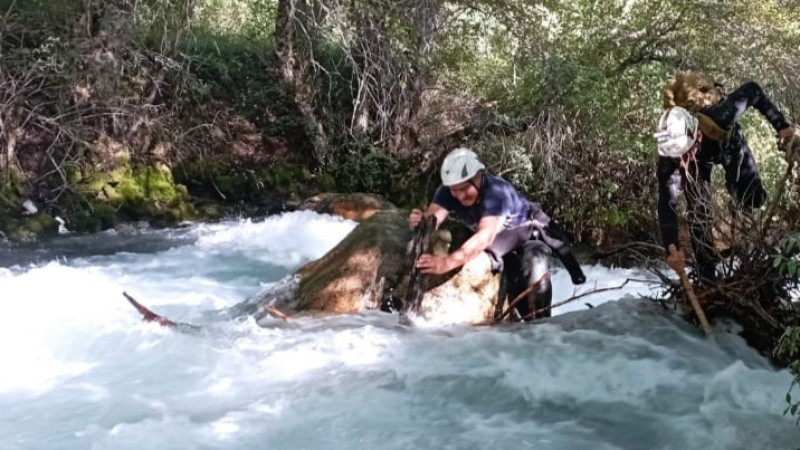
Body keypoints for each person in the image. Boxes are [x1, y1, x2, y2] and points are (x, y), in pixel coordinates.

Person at [408, 147, 586, 320]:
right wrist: (421, 222)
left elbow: (485, 236)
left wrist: (447, 263)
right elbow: (433, 218)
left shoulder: (496, 193)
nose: (460, 196)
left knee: (534, 266)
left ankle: (541, 327)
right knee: (513, 281)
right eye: (455, 190)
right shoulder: (447, 192)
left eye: (464, 189)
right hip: (500, 240)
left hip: (526, 236)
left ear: (478, 177)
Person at [655, 71, 797, 280]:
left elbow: (753, 89)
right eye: (679, 156)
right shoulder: (670, 154)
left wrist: (782, 127)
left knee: (749, 196)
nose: (682, 159)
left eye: (686, 151)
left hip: (728, 147)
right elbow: (667, 203)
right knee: (699, 214)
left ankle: (753, 248)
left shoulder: (720, 116)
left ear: (697, 135)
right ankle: (707, 275)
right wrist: (671, 249)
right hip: (700, 162)